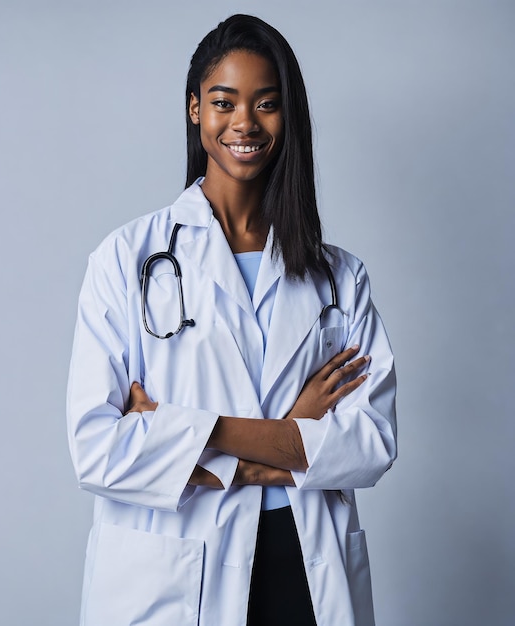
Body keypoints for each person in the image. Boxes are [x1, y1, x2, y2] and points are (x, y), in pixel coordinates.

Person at [67, 14, 396, 626]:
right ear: (196, 110)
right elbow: (96, 450)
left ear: (287, 117)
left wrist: (182, 428)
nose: (245, 122)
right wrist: (290, 434)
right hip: (176, 574)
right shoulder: (126, 259)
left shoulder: (338, 278)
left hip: (303, 565)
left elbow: (372, 442)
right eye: (225, 102)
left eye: (266, 104)